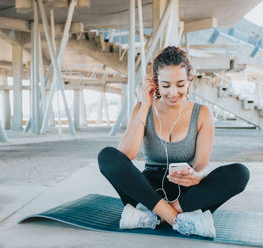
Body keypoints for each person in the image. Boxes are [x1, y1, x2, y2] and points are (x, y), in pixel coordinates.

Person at [97, 46, 250, 238]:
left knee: (240, 173)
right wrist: (145, 105)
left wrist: (197, 176)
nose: (173, 92)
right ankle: (175, 218)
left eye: (180, 84)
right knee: (107, 157)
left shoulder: (201, 113)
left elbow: (202, 164)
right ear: (156, 84)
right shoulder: (143, 108)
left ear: (189, 81)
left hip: (186, 193)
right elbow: (125, 155)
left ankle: (152, 216)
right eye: (166, 85)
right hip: (146, 191)